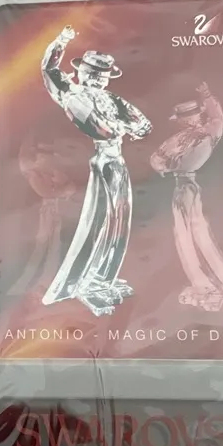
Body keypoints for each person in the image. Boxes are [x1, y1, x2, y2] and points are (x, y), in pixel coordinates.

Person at [39, 25, 151, 317]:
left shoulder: (110, 98)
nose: (98, 79)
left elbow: (141, 122)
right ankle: (85, 283)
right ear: (81, 71)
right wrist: (62, 40)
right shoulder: (73, 94)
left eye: (103, 75)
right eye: (92, 73)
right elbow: (101, 128)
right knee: (100, 219)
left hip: (118, 162)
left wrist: (132, 126)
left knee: (119, 221)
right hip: (103, 162)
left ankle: (103, 279)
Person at [150, 83, 223, 311]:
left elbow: (159, 160)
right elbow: (157, 159)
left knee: (188, 233)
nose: (181, 122)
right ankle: (206, 283)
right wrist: (163, 165)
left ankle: (206, 285)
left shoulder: (200, 135)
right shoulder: (193, 136)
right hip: (186, 186)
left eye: (183, 119)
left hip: (186, 187)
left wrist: (207, 96)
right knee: (191, 232)